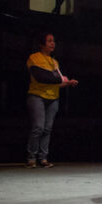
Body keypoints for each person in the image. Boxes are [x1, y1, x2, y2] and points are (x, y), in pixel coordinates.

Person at [25, 33, 78, 168]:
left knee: (47, 129)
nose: (53, 43)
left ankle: (43, 158)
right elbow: (41, 77)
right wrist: (60, 79)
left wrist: (68, 83)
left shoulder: (55, 62)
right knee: (38, 127)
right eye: (49, 41)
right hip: (37, 96)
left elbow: (57, 83)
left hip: (53, 98)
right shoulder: (34, 58)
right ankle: (31, 158)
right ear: (42, 44)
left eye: (53, 41)